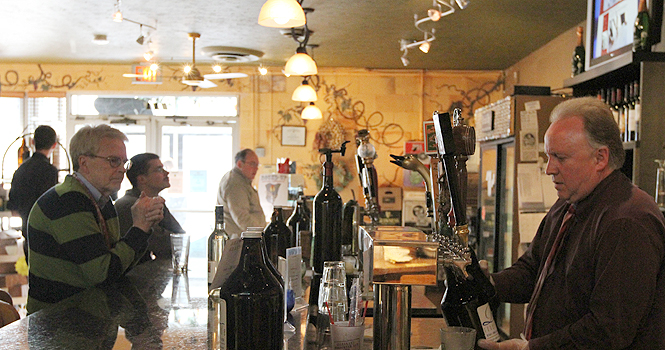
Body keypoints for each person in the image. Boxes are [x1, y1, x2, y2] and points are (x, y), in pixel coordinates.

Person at [478, 97, 665, 350]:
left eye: (560, 158)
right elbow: (534, 271)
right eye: (548, 156)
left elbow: (608, 330)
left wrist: (530, 348)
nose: (549, 169)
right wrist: (488, 284)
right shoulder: (570, 201)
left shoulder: (627, 221)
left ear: (600, 158)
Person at [26, 124, 165, 314]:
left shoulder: (101, 201)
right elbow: (102, 274)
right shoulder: (68, 201)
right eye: (113, 161)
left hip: (88, 317)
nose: (122, 170)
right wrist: (139, 228)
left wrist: (144, 225)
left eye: (124, 163)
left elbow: (119, 268)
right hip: (57, 326)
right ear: (84, 163)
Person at [115, 153, 185, 263]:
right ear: (142, 179)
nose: (167, 173)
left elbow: (181, 238)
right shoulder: (130, 206)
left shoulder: (155, 201)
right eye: (159, 169)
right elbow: (165, 244)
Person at [7, 125, 59, 257]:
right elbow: (51, 204)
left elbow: (12, 204)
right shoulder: (50, 171)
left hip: (27, 231)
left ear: (33, 142)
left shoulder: (21, 169)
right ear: (54, 145)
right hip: (46, 234)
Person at [216, 149, 265, 236]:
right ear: (239, 164)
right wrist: (261, 235)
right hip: (238, 242)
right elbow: (242, 219)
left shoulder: (241, 181)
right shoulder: (235, 184)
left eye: (257, 165)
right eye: (252, 164)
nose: (256, 169)